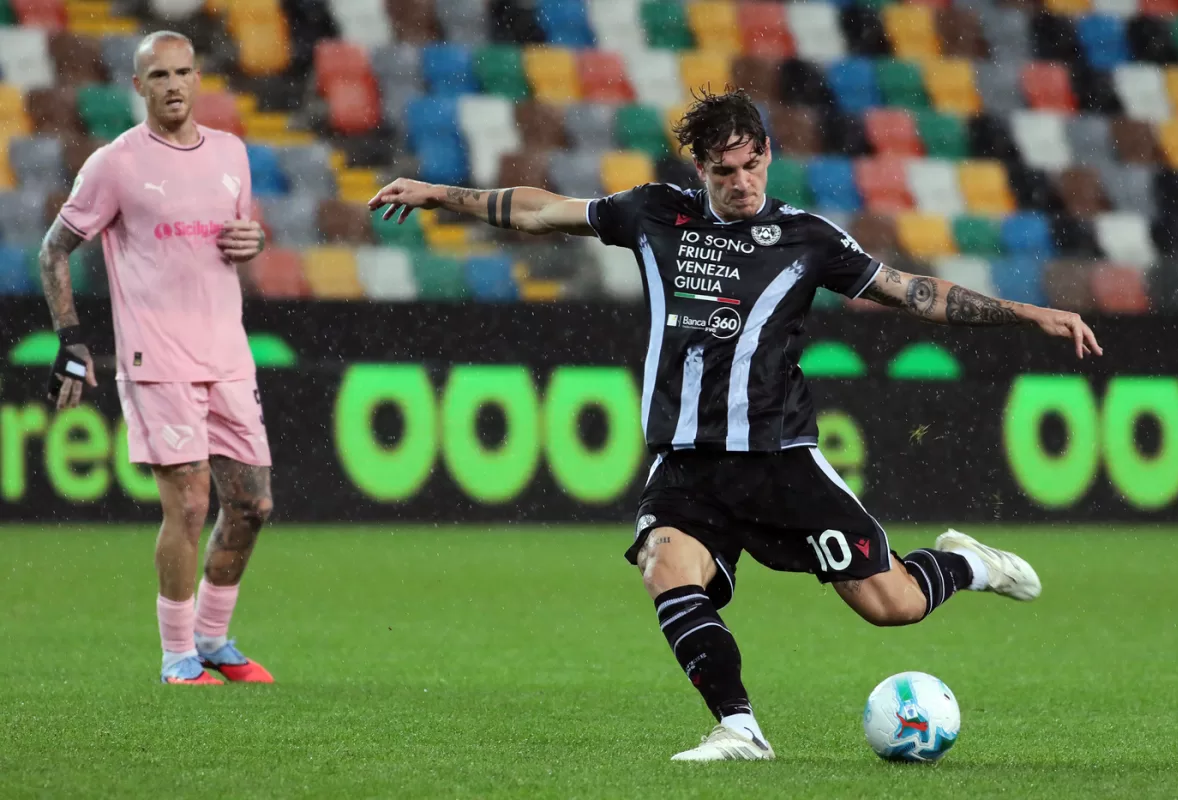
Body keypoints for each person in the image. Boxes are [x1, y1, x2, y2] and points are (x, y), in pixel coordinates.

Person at [368, 88, 1102, 760]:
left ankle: (968, 564)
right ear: (700, 169)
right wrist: (439, 194)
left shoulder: (807, 238)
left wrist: (1027, 312)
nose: (742, 183)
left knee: (893, 606)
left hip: (778, 460)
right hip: (686, 462)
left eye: (753, 166)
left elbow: (912, 292)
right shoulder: (653, 213)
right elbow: (540, 210)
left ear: (768, 156)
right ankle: (739, 727)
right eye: (725, 172)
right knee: (665, 567)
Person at [39, 31, 274, 685]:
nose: (173, 85)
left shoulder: (230, 152)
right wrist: (70, 338)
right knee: (190, 506)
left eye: (183, 72)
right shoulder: (115, 164)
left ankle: (213, 639)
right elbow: (54, 249)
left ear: (198, 79)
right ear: (138, 86)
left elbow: (238, 237)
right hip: (158, 358)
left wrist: (254, 240)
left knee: (252, 506)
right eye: (159, 75)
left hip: (227, 355)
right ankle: (177, 657)